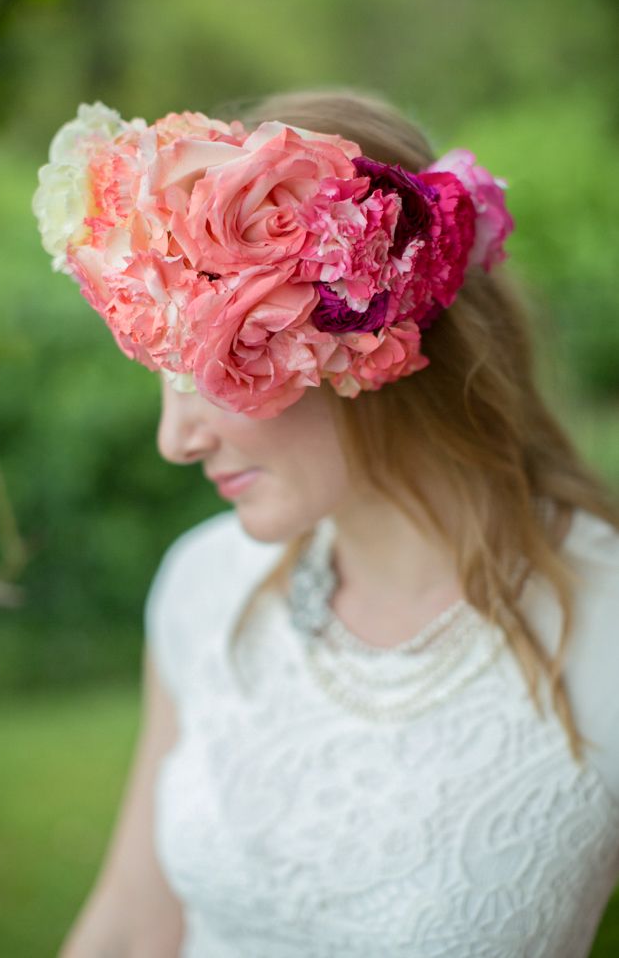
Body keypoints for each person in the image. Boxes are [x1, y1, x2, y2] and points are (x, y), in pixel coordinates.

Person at [33, 89, 619, 957]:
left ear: (361, 339)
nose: (174, 440)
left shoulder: (602, 629)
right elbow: (130, 925)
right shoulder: (204, 586)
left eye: (209, 370)